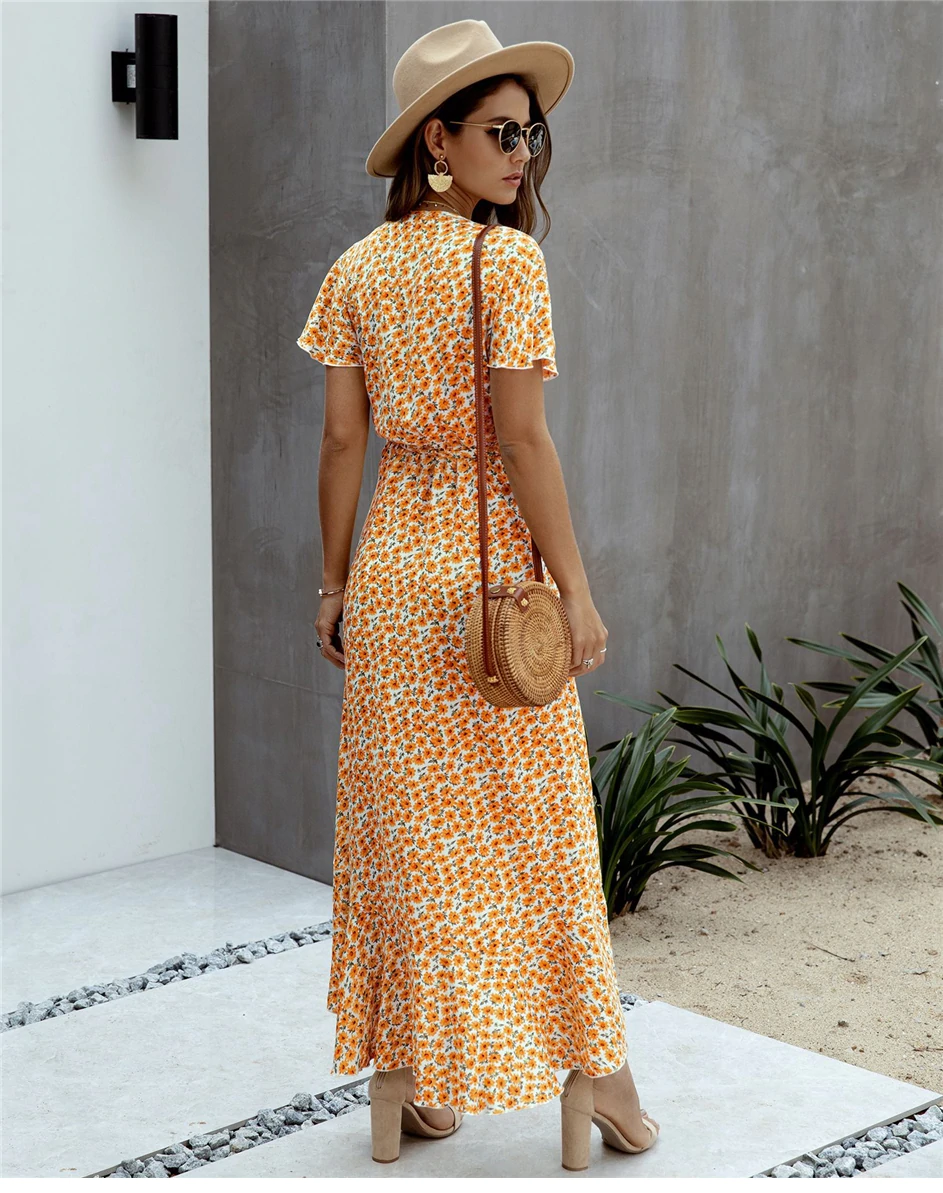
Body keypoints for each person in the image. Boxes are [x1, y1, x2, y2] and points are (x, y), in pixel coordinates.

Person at [296, 18, 660, 1170]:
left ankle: (400, 1084)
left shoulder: (356, 268)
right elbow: (524, 441)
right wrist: (578, 591)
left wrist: (334, 584)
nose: (522, 154)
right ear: (436, 141)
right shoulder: (505, 263)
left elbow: (342, 443)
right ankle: (595, 1077)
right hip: (492, 593)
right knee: (542, 839)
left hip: (393, 585)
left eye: (530, 132)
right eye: (500, 133)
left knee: (408, 840)